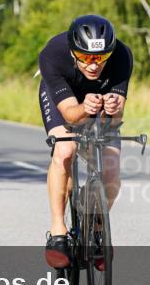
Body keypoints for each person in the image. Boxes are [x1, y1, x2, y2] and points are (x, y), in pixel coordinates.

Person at [38, 15, 132, 269]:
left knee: (111, 168)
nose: (94, 65)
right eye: (87, 58)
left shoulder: (122, 56)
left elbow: (116, 117)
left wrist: (112, 108)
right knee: (66, 149)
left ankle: (97, 229)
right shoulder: (53, 55)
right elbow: (70, 114)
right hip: (65, 101)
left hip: (98, 102)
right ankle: (58, 230)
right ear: (73, 51)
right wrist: (85, 107)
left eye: (100, 58)